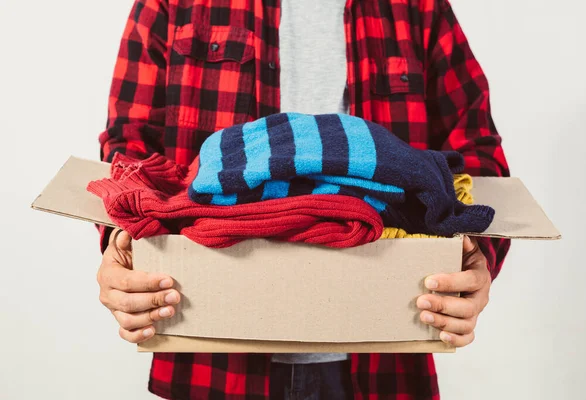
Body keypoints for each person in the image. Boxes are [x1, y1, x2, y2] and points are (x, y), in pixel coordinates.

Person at [95, 0, 511, 398]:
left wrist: (477, 258)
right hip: (209, 349)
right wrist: (120, 246)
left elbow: (476, 154)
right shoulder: (173, 2)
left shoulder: (417, 7)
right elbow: (128, 151)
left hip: (383, 350)